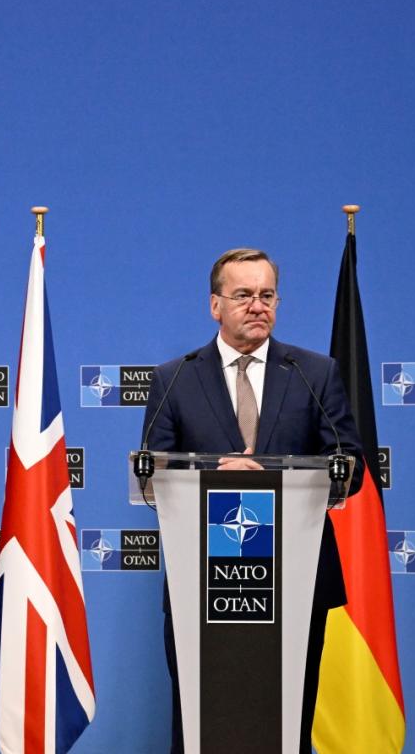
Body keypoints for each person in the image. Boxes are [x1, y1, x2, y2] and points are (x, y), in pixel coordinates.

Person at [142, 247, 362, 754]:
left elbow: (348, 465)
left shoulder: (314, 372)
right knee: (201, 720)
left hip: (295, 574)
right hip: (204, 577)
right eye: (243, 295)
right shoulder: (175, 378)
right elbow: (154, 476)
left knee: (286, 718)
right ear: (215, 305)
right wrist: (216, 480)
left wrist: (270, 478)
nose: (257, 306)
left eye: (267, 295)